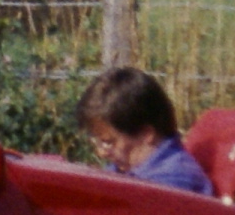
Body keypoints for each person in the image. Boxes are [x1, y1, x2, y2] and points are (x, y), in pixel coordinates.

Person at [76, 66, 215, 196]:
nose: (101, 153)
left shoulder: (172, 183)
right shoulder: (127, 169)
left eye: (108, 142)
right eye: (98, 142)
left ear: (146, 134)